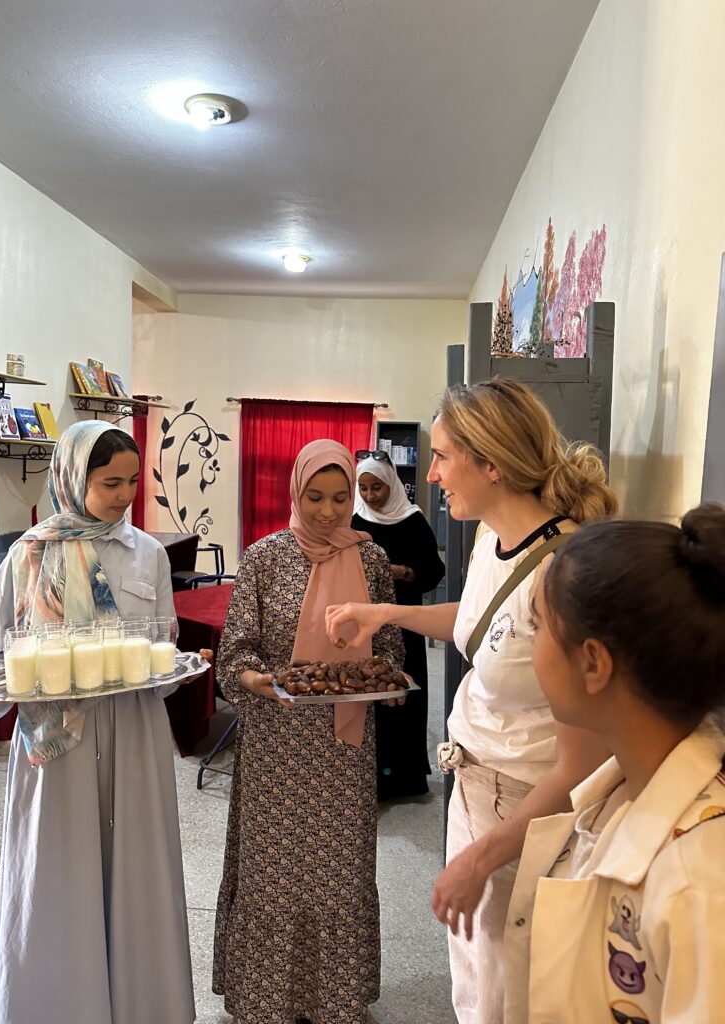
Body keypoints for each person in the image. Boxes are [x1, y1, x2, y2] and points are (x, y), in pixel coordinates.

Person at [326, 379, 618, 1024]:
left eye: (444, 457)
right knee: (476, 972)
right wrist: (383, 613)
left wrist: (482, 858)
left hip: (530, 806)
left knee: (510, 987)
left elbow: (583, 762)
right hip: (472, 777)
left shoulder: (565, 573)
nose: (430, 476)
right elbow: (483, 621)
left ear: (493, 462)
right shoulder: (493, 534)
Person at [0, 421, 195, 1024]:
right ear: (71, 478)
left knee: (135, 865)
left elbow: (161, 648)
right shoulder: (29, 554)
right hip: (56, 746)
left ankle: (143, 1006)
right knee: (58, 868)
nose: (125, 495)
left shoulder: (146, 553)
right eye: (110, 482)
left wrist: (178, 672)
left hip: (134, 734)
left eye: (133, 482)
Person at [504, 504, 725, 1023]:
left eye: (539, 627)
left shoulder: (701, 882)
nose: (531, 647)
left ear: (593, 663)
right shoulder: (619, 792)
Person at [211, 439, 404, 1024]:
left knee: (338, 873)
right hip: (277, 742)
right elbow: (232, 656)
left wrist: (390, 681)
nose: (327, 510)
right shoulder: (265, 557)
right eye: (315, 497)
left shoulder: (370, 560)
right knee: (273, 872)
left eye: (340, 498)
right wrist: (262, 681)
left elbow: (390, 646)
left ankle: (335, 998)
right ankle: (265, 998)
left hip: (342, 748)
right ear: (295, 492)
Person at [352, 450, 445, 799]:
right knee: (366, 698)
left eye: (377, 487)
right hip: (364, 623)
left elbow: (435, 571)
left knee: (401, 696)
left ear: (391, 483)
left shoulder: (412, 520)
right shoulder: (355, 520)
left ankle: (403, 779)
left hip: (405, 622)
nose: (371, 496)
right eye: (363, 488)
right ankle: (368, 778)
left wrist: (402, 573)